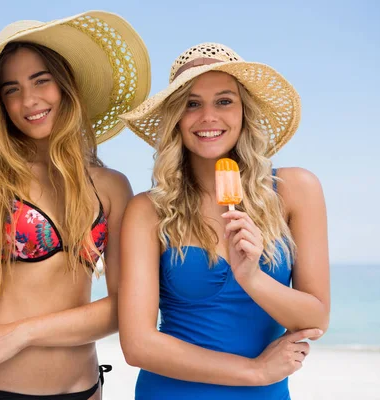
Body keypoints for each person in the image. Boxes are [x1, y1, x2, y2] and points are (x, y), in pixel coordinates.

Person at [0, 11, 150, 400]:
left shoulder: (112, 186)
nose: (29, 100)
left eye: (41, 81)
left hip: (81, 390)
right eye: (11, 89)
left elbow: (124, 310)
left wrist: (22, 333)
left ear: (66, 86)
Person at [118, 42, 330, 399]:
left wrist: (252, 277)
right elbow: (138, 345)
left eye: (224, 101)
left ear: (245, 111)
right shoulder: (148, 210)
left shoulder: (296, 190)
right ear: (176, 119)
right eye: (192, 104)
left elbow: (315, 319)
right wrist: (255, 371)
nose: (208, 117)